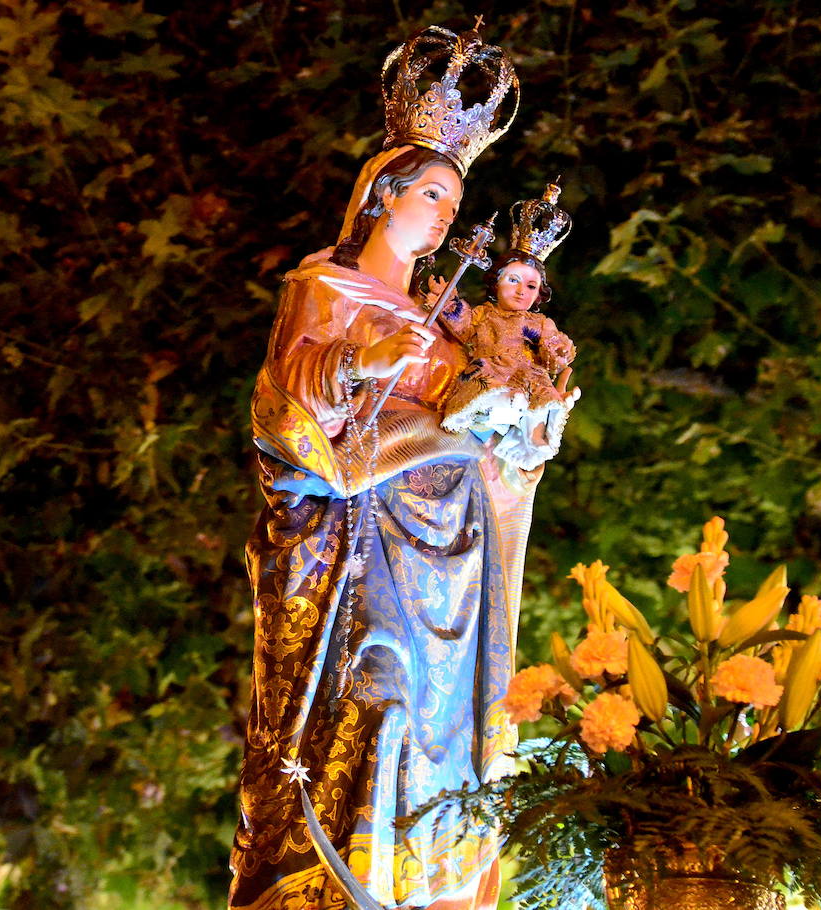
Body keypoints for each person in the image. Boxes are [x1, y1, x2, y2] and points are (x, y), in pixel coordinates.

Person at [231, 25, 527, 910]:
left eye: (454, 202)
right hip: (355, 553)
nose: (443, 215)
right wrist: (360, 362)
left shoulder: (449, 325)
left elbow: (480, 435)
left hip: (451, 568)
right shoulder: (323, 290)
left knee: (440, 728)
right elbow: (283, 413)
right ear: (381, 194)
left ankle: (425, 884)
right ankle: (337, 881)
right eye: (430, 192)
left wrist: (518, 430)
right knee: (373, 702)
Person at [436, 183, 580, 472]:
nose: (521, 291)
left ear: (539, 294)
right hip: (493, 365)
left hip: (528, 373)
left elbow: (552, 353)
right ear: (496, 281)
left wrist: (558, 351)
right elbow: (464, 327)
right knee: (492, 389)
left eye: (531, 286)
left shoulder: (538, 323)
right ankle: (498, 410)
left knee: (541, 395)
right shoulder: (484, 315)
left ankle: (535, 436)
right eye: (513, 280)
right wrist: (447, 303)